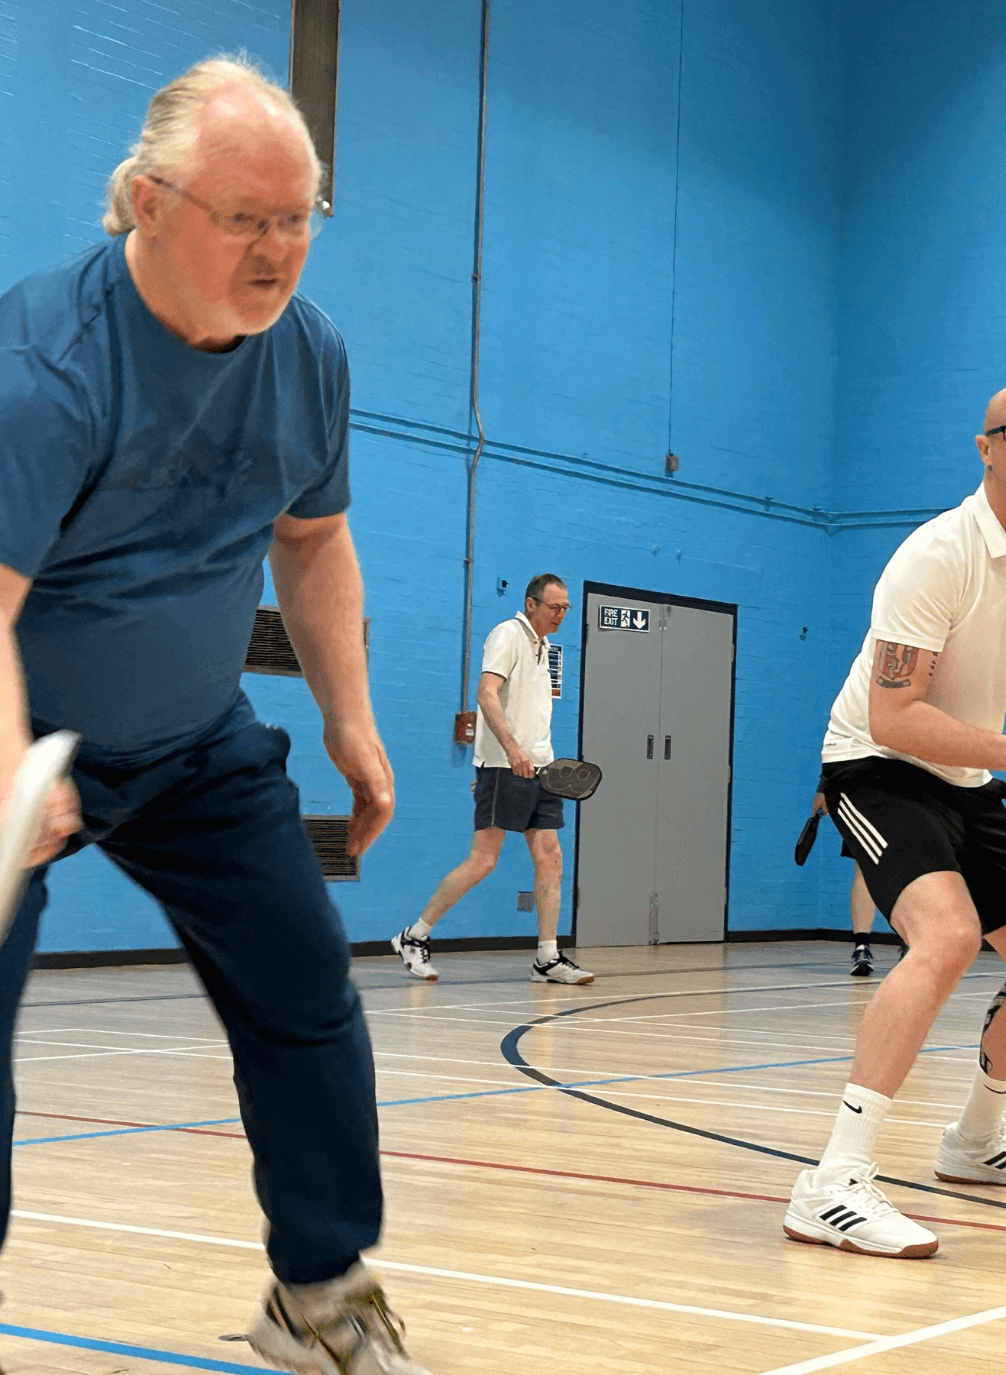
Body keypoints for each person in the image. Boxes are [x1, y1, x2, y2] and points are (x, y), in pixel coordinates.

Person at [0, 57, 429, 1373]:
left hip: (192, 740)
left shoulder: (307, 355)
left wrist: (352, 723)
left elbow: (311, 542)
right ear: (141, 201)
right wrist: (14, 768)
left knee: (304, 988)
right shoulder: (43, 371)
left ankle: (318, 1292)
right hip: (23, 729)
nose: (278, 248)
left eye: (298, 216)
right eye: (245, 216)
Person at [783, 381, 1006, 1260]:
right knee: (945, 937)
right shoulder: (934, 554)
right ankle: (831, 1182)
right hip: (874, 760)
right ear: (985, 447)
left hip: (966, 771)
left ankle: (974, 1143)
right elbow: (895, 715)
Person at [392, 575, 593, 985]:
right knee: (483, 861)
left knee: (550, 860)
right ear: (531, 604)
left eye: (566, 608)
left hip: (541, 769)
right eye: (555, 607)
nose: (561, 615)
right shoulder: (508, 634)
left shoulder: (546, 647)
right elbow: (486, 694)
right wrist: (507, 753)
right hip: (509, 767)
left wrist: (534, 756)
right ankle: (414, 936)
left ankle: (547, 958)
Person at [810, 787, 881, 976]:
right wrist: (824, 789)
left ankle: (909, 944)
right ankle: (861, 948)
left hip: (909, 797)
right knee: (864, 870)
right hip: (865, 797)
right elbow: (837, 756)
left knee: (910, 875)